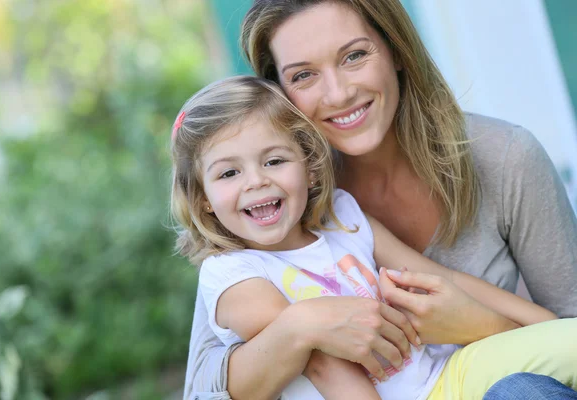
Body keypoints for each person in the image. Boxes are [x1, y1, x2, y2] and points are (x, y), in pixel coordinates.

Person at [182, 0, 577, 399]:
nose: (338, 93)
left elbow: (559, 325)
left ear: (396, 50)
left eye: (355, 55)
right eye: (303, 75)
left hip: (462, 378)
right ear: (281, 95)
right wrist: (301, 325)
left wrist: (484, 324)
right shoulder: (252, 241)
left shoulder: (503, 157)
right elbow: (203, 386)